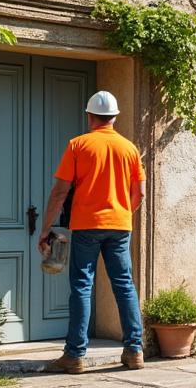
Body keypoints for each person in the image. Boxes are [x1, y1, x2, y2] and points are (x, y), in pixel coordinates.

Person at [39, 91, 146, 374]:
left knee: (82, 287)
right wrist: (123, 213)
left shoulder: (78, 145)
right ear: (114, 117)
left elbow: (60, 191)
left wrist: (46, 228)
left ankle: (74, 355)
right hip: (120, 226)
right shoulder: (129, 148)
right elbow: (141, 193)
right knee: (125, 286)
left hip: (86, 225)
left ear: (90, 116)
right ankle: (134, 351)